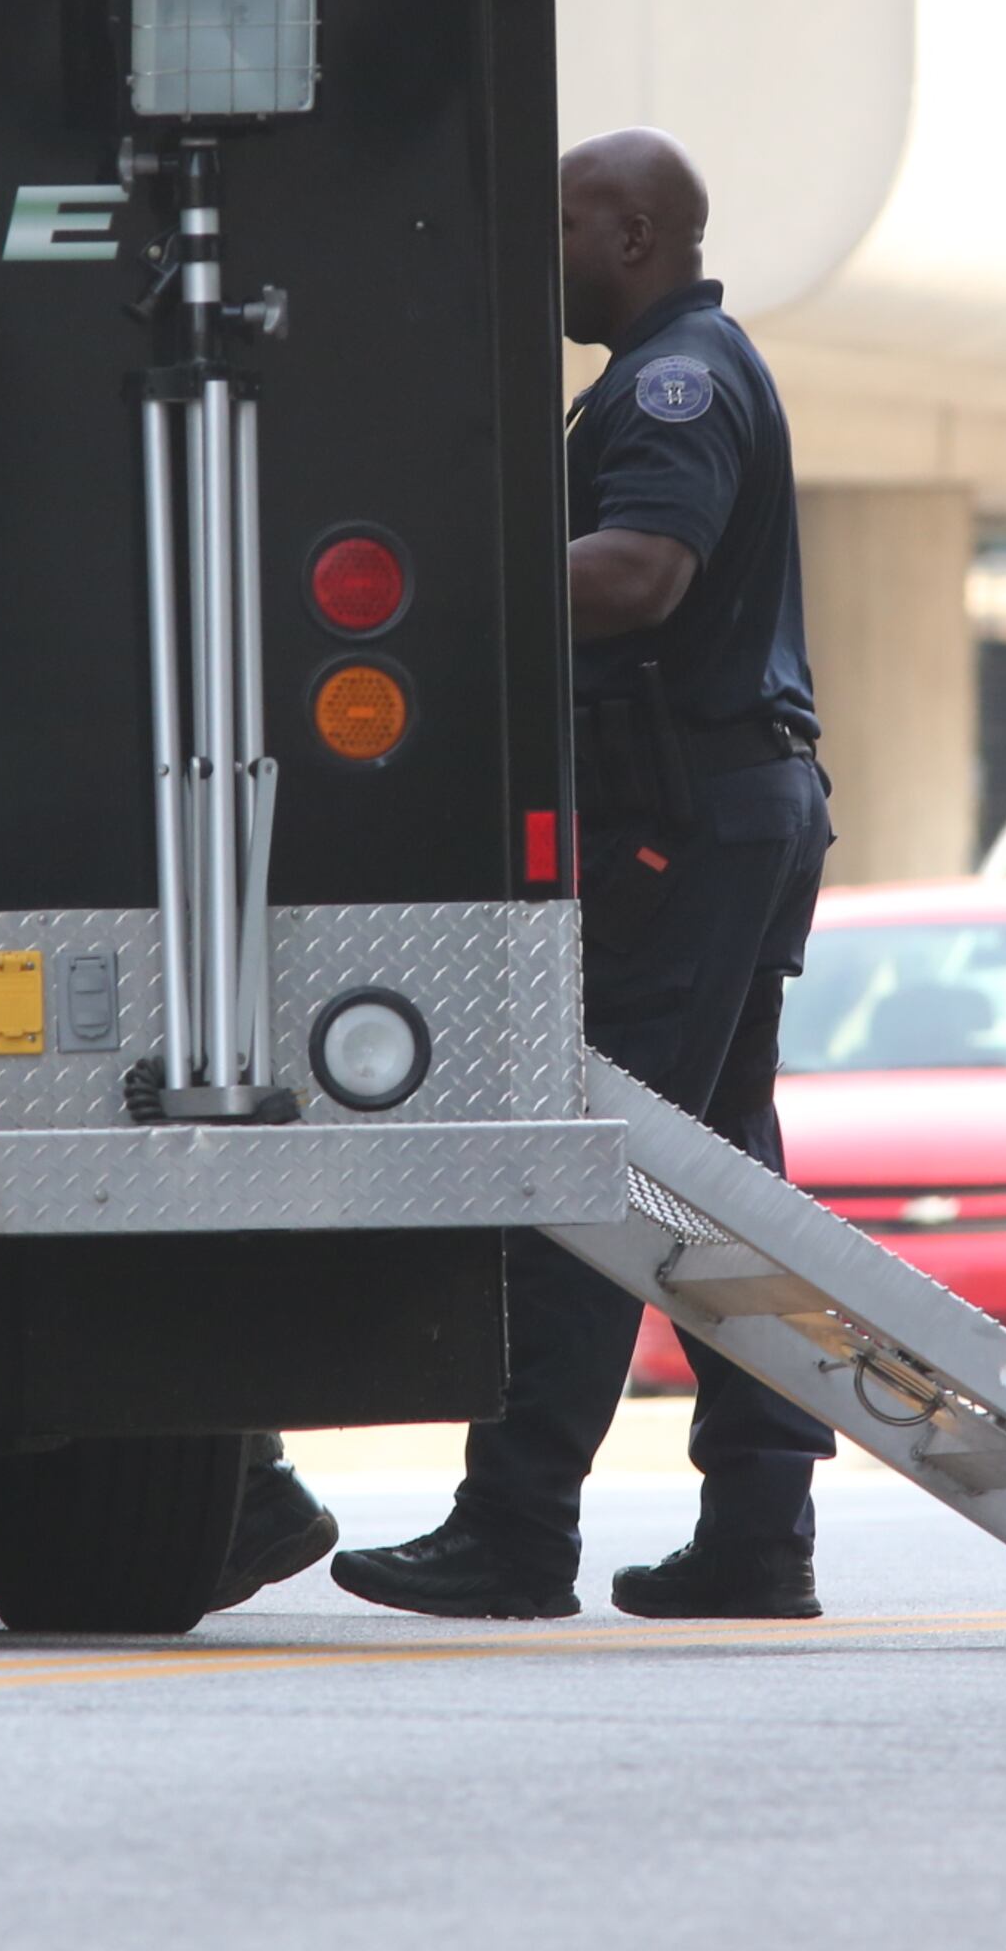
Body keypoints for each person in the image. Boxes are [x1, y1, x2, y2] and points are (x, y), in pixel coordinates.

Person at [309, 123, 842, 1623]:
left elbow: (640, 571)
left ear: (630, 235)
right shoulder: (679, 369)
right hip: (731, 807)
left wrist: (434, 600)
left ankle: (519, 1525)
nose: (538, 254)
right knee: (724, 1186)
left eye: (555, 228)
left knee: (593, 1168)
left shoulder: (677, 380)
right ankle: (758, 1534)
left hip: (686, 820)